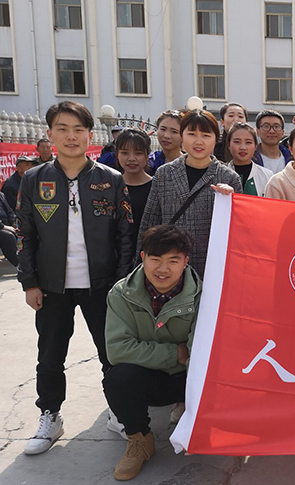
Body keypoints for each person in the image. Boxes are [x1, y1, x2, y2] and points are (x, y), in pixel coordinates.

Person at [16, 101, 134, 455]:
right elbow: (25, 235)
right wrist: (30, 282)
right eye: (63, 129)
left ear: (89, 135)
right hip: (52, 287)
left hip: (102, 286)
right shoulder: (34, 180)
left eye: (78, 129)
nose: (71, 136)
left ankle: (119, 410)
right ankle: (50, 416)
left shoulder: (110, 179)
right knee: (50, 355)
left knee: (111, 353)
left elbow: (125, 236)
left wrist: (121, 284)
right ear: (49, 135)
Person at [103, 225, 201, 481]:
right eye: (155, 259)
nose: (163, 269)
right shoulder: (122, 294)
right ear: (143, 257)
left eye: (173, 261)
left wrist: (196, 419)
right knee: (118, 378)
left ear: (186, 262)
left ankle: (199, 425)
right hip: (149, 379)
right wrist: (175, 353)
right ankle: (140, 441)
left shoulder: (203, 296)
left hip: (189, 380)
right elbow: (117, 350)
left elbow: (199, 357)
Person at [138, 109, 242, 278]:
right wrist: (141, 263)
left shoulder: (229, 178)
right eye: (192, 134)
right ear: (182, 136)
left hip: (211, 267)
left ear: (216, 139)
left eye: (206, 135)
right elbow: (150, 222)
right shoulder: (165, 173)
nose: (198, 142)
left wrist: (230, 200)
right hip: (168, 266)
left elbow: (237, 232)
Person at [116, 129, 153, 239]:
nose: (131, 159)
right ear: (117, 154)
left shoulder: (156, 187)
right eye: (125, 153)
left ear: (147, 155)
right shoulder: (111, 187)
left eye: (138, 153)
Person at [227, 122, 273, 197]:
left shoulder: (267, 175)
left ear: (255, 146)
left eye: (248, 142)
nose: (243, 147)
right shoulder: (220, 174)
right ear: (229, 145)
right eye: (237, 142)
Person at [254, 109, 292, 174]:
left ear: (283, 132)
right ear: (257, 131)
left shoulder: (291, 158)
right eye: (266, 126)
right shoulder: (251, 157)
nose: (272, 131)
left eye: (276, 126)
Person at [0, 190, 17, 266]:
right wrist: (4, 227)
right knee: (8, 237)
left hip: (7, 224)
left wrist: (14, 223)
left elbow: (10, 212)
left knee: (25, 230)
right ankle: (19, 265)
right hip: (2, 227)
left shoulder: (1, 195)